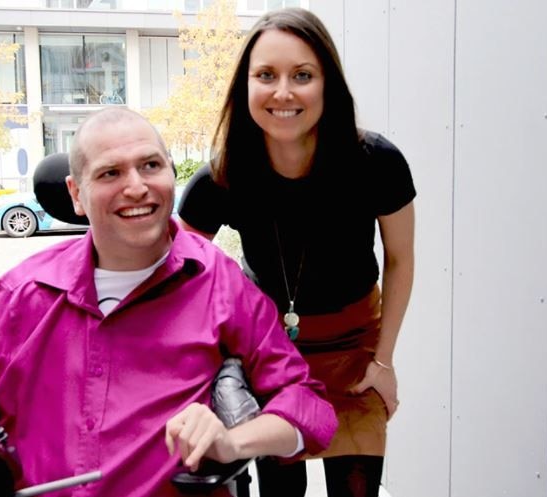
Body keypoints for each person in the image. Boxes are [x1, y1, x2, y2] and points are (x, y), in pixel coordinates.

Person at [0, 107, 338, 497]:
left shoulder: (219, 282)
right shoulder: (24, 292)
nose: (137, 187)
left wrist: (232, 441)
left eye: (151, 165)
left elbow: (309, 409)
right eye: (110, 173)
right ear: (76, 193)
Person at [178, 8, 416, 497]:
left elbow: (400, 259)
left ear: (327, 84)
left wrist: (385, 361)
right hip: (269, 355)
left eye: (302, 76)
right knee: (281, 491)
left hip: (355, 352)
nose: (283, 92)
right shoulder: (221, 177)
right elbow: (180, 274)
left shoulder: (378, 163)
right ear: (245, 86)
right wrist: (211, 366)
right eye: (266, 75)